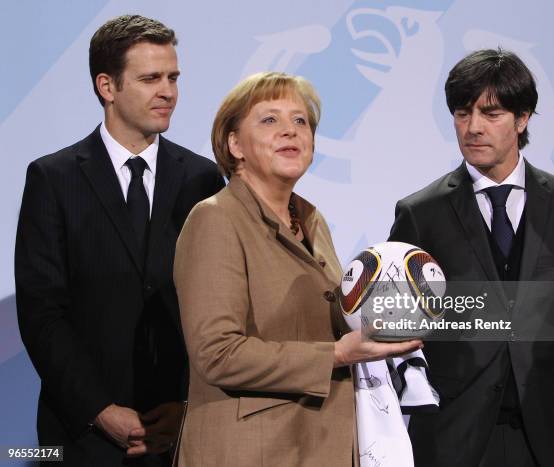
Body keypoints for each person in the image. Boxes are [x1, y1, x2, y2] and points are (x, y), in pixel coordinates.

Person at [173, 71, 422, 466]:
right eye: (270, 120)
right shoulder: (215, 219)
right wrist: (336, 354)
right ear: (234, 143)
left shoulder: (312, 220)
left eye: (300, 121)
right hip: (249, 451)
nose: (290, 131)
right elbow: (217, 353)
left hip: (322, 446)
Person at [15, 15, 225, 466]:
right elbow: (41, 310)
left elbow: (217, 306)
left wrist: (187, 404)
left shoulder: (203, 179)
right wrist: (98, 410)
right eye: (150, 78)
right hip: (80, 434)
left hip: (179, 431)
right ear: (106, 87)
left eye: (173, 77)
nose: (168, 91)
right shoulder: (53, 178)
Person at [389, 49, 554, 467]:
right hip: (453, 432)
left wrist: (542, 380)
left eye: (490, 114)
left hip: (549, 434)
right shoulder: (419, 213)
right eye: (462, 113)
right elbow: (399, 324)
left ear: (522, 119)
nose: (472, 128)